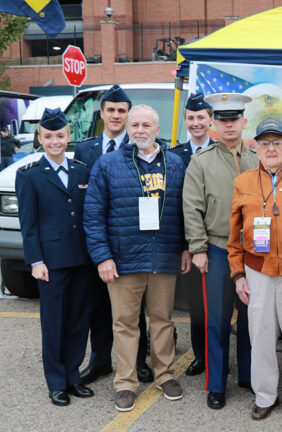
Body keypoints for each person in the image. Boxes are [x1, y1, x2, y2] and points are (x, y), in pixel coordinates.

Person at [83, 104, 190, 412]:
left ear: (158, 130)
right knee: (125, 323)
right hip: (123, 258)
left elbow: (185, 211)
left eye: (146, 125)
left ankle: (165, 374)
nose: (140, 130)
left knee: (162, 321)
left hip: (164, 256)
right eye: (135, 125)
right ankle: (126, 382)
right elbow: (93, 215)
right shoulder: (107, 164)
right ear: (128, 129)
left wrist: (184, 246)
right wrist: (103, 257)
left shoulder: (175, 163)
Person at [228, 118, 282, 422]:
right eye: (265, 143)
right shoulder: (243, 182)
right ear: (256, 147)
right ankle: (265, 395)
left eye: (278, 142)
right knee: (261, 336)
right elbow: (233, 234)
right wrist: (238, 274)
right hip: (258, 271)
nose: (271, 148)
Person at [183, 92, 259, 409]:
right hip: (216, 249)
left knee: (251, 318)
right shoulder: (201, 162)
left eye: (234, 119)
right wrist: (198, 248)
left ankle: (248, 375)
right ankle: (216, 385)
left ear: (244, 122)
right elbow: (192, 208)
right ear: (215, 123)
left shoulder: (258, 158)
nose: (229, 125)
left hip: (254, 251)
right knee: (217, 319)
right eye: (223, 120)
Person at [16, 108, 96, 406]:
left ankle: (73, 376)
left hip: (81, 259)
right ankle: (56, 382)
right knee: (54, 323)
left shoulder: (81, 170)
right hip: (51, 263)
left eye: (60, 136)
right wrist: (36, 261)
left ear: (68, 136)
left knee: (78, 320)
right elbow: (29, 223)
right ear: (39, 138)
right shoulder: (30, 176)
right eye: (48, 136)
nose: (55, 141)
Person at [74, 85, 153, 386]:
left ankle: (138, 361)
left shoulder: (141, 147)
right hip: (97, 242)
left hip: (131, 241)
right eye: (111, 110)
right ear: (103, 113)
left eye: (122, 111)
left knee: (135, 308)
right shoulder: (85, 149)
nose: (117, 115)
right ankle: (100, 361)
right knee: (98, 306)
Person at [170, 92, 217, 377]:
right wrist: (184, 246)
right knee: (197, 306)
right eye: (191, 118)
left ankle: (221, 355)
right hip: (190, 244)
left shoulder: (223, 150)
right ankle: (201, 356)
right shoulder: (175, 156)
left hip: (220, 241)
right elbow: (175, 206)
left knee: (223, 305)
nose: (196, 122)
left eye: (201, 117)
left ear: (211, 119)